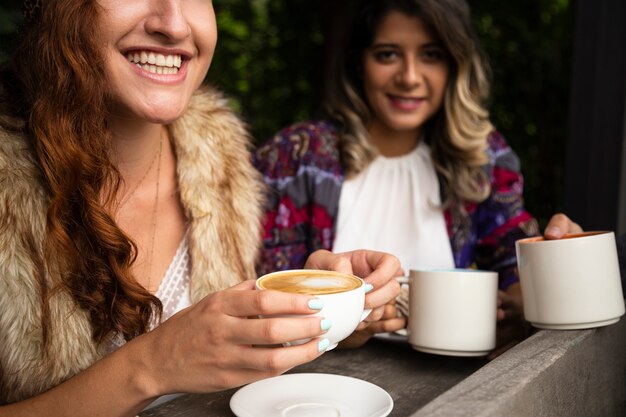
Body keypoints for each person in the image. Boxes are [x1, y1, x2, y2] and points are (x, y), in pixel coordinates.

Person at [0, 1, 400, 414]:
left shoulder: (224, 169)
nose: (173, 24)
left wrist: (325, 313)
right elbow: (174, 360)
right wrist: (149, 366)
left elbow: (227, 362)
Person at [253, 0, 581, 352]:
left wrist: (554, 267)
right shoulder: (295, 157)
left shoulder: (481, 158)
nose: (409, 77)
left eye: (431, 55)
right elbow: (264, 298)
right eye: (388, 55)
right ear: (359, 64)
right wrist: (342, 326)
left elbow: (513, 268)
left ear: (455, 65)